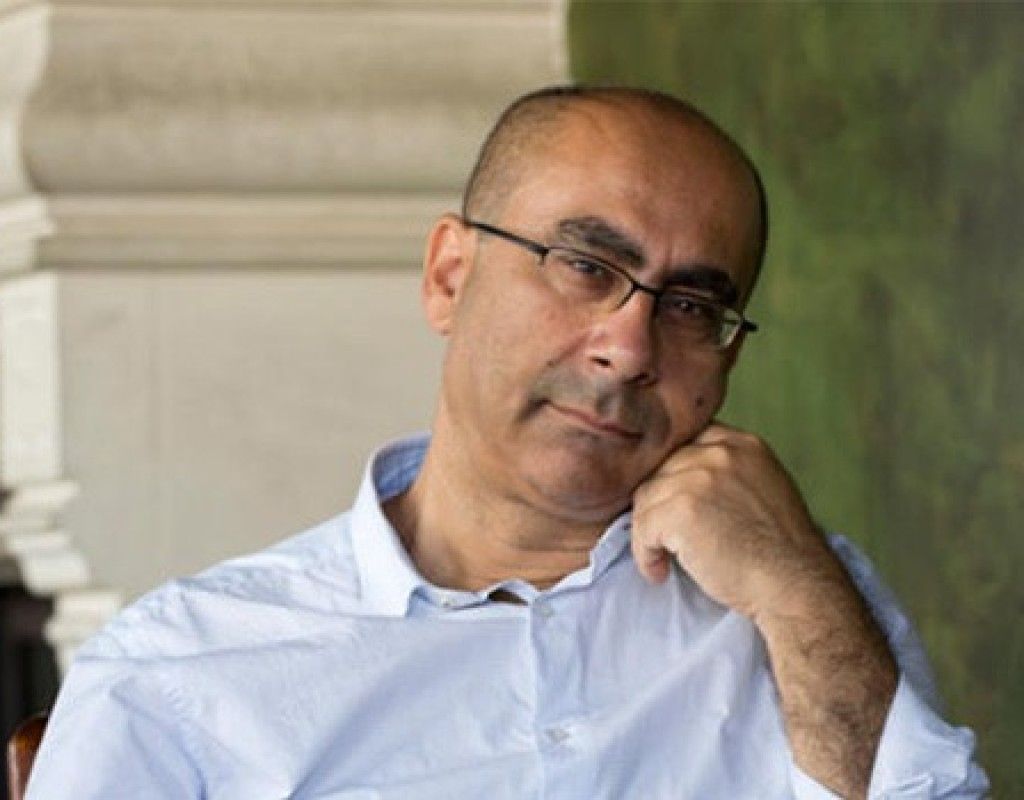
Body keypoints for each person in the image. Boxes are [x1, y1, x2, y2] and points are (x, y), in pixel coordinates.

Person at [25, 85, 988, 799]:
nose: (629, 348)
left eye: (692, 305)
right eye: (585, 265)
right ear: (450, 276)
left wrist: (795, 589)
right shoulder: (179, 674)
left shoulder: (804, 605)